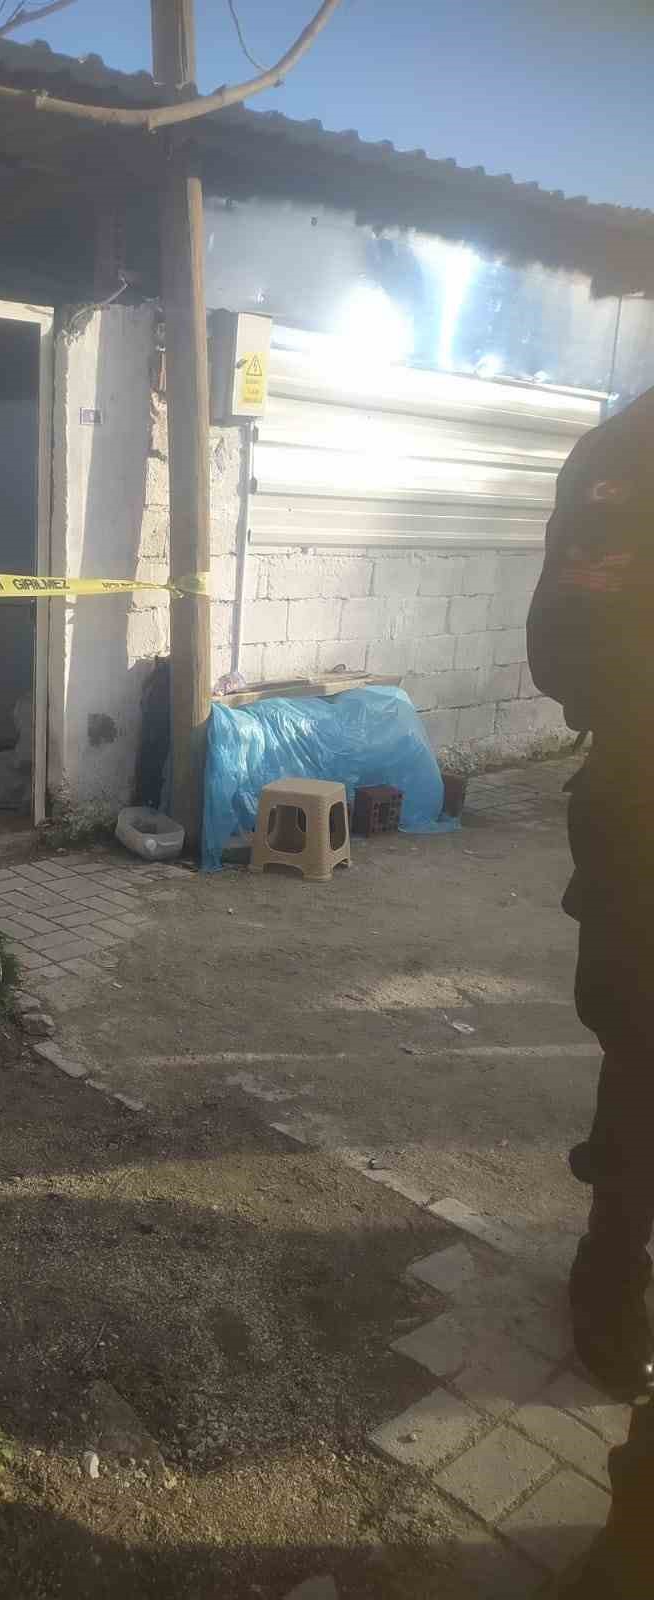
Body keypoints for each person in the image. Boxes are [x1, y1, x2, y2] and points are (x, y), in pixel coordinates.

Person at [528, 386, 654, 1600]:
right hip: (646, 815)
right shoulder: (625, 453)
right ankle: (613, 1273)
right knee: (645, 1055)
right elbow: (562, 641)